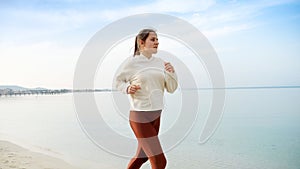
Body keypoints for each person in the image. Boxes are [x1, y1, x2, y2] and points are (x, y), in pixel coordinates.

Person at [114, 28, 178, 169]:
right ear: (142, 42)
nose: (157, 42)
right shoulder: (132, 63)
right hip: (140, 117)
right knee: (160, 161)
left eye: (157, 39)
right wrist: (127, 88)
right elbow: (118, 82)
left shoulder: (161, 62)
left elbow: (171, 88)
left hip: (156, 116)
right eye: (153, 39)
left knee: (141, 157)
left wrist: (171, 73)